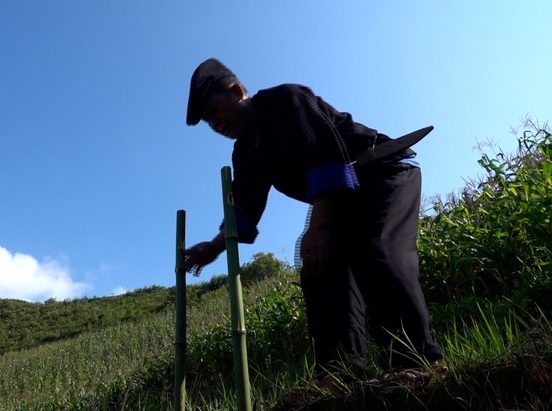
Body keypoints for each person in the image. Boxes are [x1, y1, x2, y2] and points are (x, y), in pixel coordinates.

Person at [183, 58, 442, 388]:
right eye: (209, 122)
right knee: (319, 270)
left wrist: (318, 227)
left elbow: (327, 155)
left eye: (216, 110)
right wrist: (215, 247)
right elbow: (245, 211)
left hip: (380, 173)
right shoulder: (246, 153)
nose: (216, 123)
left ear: (237, 91)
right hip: (342, 199)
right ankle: (340, 376)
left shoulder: (284, 100)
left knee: (371, 247)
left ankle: (416, 363)